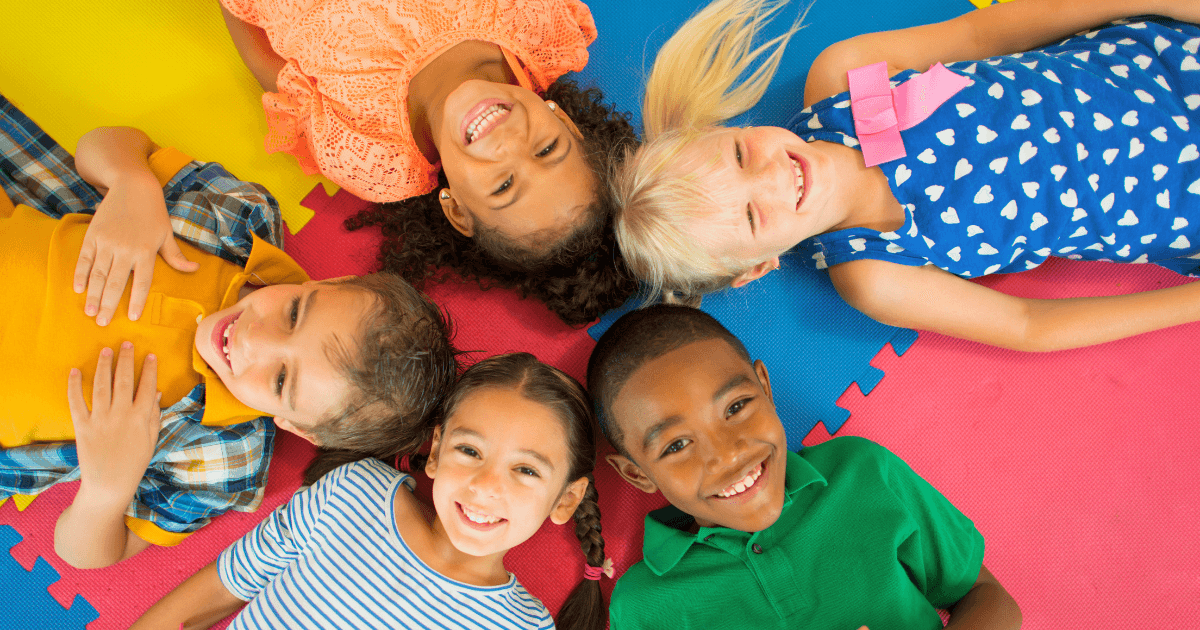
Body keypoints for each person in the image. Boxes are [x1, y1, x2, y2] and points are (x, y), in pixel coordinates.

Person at [0, 95, 459, 569]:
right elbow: (99, 146)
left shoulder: (220, 460)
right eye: (295, 313)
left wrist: (106, 487)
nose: (253, 339)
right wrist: (130, 181)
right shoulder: (237, 223)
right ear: (331, 282)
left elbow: (85, 554)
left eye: (282, 380)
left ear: (296, 427)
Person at [614, 0, 1200, 351]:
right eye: (751, 215)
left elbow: (987, 34)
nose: (773, 175)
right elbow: (1029, 324)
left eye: (740, 154)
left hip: (1166, 61)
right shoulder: (875, 274)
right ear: (757, 268)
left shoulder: (843, 81)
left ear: (730, 127)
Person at [586, 304, 1022, 630]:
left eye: (736, 407)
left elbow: (986, 596)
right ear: (637, 474)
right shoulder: (642, 607)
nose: (727, 454)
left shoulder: (860, 472)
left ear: (764, 385)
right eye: (677, 444)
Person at [220, 0, 640, 325]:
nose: (507, 143)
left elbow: (266, 63)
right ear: (563, 120)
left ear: (456, 208)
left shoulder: (366, 155)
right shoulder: (539, 26)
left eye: (504, 186)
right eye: (547, 150)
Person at [131, 352, 609, 630]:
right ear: (437, 450)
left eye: (526, 471)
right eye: (470, 451)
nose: (486, 486)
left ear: (565, 499)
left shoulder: (523, 626)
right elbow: (215, 592)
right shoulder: (351, 493)